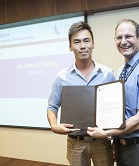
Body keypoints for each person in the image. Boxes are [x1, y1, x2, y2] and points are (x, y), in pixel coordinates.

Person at [87, 18, 139, 166]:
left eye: (128, 36)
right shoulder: (120, 72)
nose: (123, 41)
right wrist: (116, 142)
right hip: (123, 146)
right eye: (119, 37)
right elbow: (119, 113)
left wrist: (108, 133)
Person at [47, 21, 115, 166]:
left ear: (93, 43)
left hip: (102, 143)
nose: (82, 46)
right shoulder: (61, 77)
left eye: (86, 40)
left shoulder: (107, 74)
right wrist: (54, 126)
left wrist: (113, 138)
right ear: (70, 46)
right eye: (77, 42)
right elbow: (52, 106)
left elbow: (114, 109)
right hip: (76, 143)